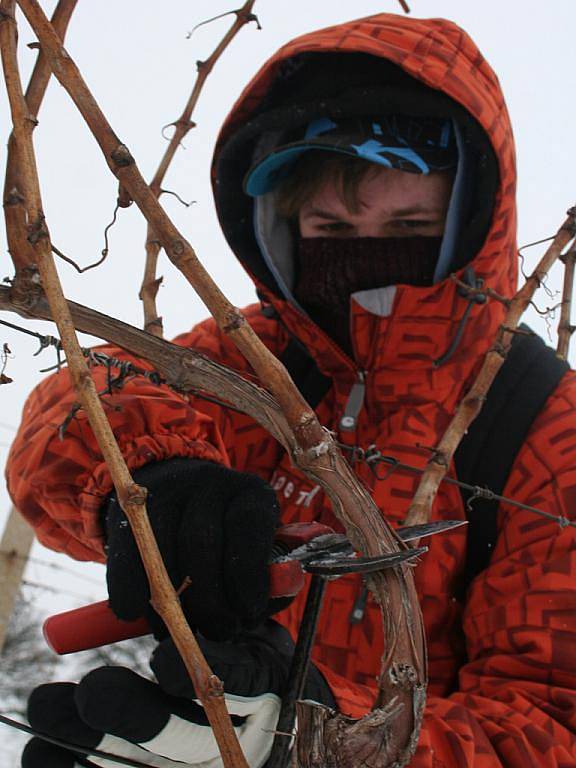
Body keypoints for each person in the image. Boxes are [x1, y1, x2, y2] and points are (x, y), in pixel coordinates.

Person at [6, 11, 576, 768]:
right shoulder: (263, 359)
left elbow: (551, 723)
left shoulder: (545, 427)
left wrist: (321, 744)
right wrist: (146, 480)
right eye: (332, 232)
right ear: (281, 227)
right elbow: (84, 399)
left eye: (407, 222)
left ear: (472, 223)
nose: (368, 260)